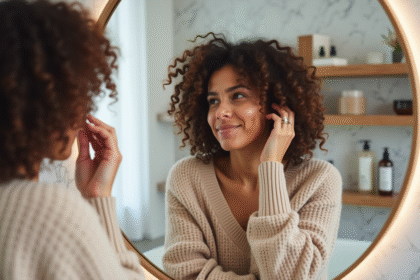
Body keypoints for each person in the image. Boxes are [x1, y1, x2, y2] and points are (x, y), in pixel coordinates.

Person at [162, 33, 342, 280]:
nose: (221, 112)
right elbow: (185, 272)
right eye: (213, 101)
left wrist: (270, 167)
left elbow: (291, 276)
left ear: (276, 105)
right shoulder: (187, 178)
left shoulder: (319, 180)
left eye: (237, 96)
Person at [0, 1, 144, 279]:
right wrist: (99, 198)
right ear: (42, 101)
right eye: (75, 95)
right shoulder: (47, 210)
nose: (81, 114)